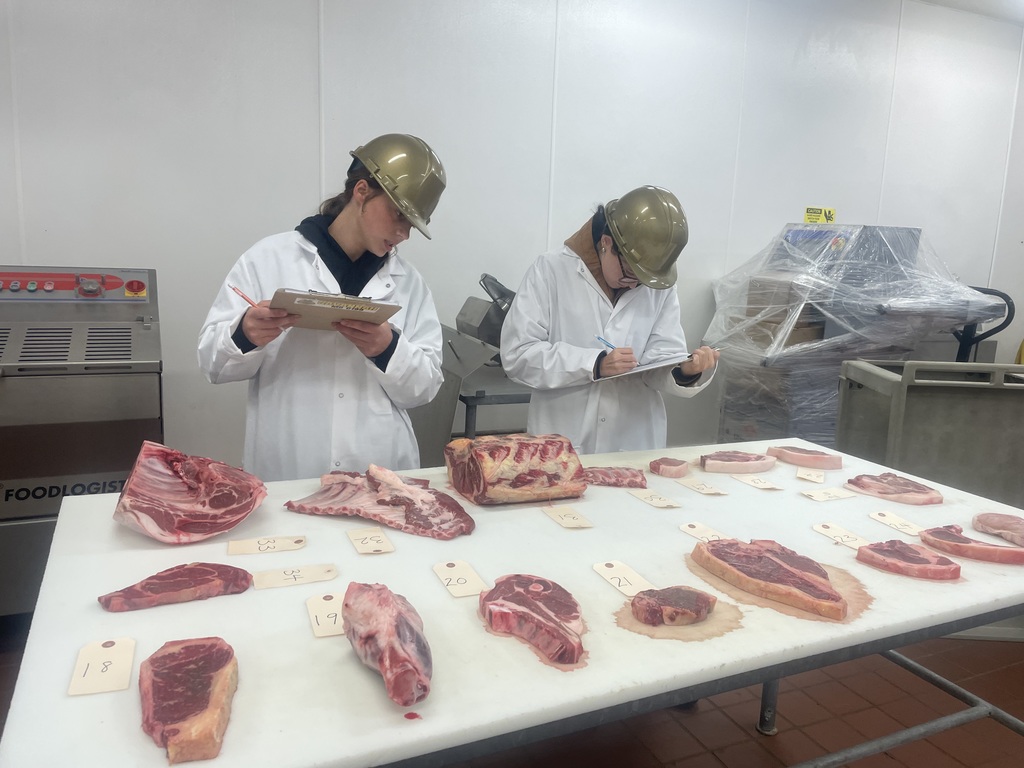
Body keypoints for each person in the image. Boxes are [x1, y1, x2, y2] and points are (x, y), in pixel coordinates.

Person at [198, 133, 447, 481]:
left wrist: (388, 349)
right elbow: (213, 365)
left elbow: (425, 388)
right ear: (362, 191)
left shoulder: (410, 283)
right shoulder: (268, 259)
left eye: (412, 224)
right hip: (290, 464)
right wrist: (245, 334)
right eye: (398, 215)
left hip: (380, 466)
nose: (404, 234)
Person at [500, 185, 719, 454]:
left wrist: (685, 370)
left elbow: (660, 360)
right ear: (606, 243)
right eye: (629, 274)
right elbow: (518, 354)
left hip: (635, 442)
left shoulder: (656, 285)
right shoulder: (550, 270)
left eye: (642, 281)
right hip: (565, 441)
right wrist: (594, 364)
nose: (633, 286)